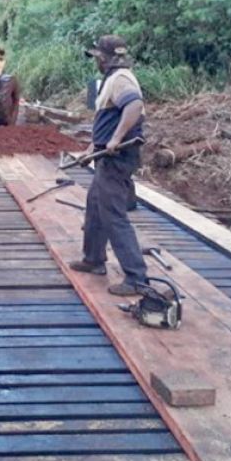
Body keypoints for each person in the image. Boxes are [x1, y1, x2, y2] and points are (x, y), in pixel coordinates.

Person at [69, 35, 152, 296]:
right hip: (107, 157)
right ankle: (93, 259)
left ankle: (137, 278)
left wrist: (115, 139)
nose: (96, 61)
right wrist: (91, 149)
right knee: (95, 204)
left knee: (114, 216)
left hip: (117, 159)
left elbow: (134, 105)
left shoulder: (121, 79)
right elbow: (108, 121)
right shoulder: (112, 80)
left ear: (105, 58)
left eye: (97, 57)